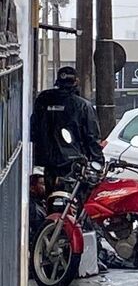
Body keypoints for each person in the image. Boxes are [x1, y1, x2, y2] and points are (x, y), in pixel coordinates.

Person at [31, 66, 104, 194]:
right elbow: (92, 137)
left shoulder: (43, 99)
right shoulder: (83, 106)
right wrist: (98, 162)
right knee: (74, 202)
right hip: (73, 165)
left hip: (47, 164)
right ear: (76, 82)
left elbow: (33, 130)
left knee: (50, 199)